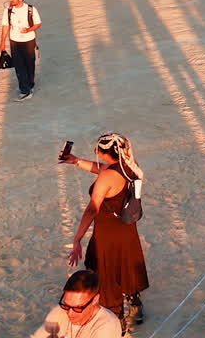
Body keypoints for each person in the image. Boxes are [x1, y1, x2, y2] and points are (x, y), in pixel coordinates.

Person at [62, 133, 150, 333]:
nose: (96, 152)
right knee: (126, 265)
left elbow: (92, 209)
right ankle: (135, 306)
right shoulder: (127, 164)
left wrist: (77, 240)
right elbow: (101, 169)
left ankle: (117, 321)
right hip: (126, 229)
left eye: (98, 149)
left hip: (107, 234)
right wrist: (75, 161)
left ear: (105, 152)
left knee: (107, 274)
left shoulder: (108, 176)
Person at [29, 269, 123, 338]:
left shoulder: (107, 327)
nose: (70, 313)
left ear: (95, 299)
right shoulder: (61, 311)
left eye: (77, 308)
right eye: (66, 305)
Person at [0, 0, 42, 100]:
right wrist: (2, 42)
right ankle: (25, 91)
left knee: (29, 64)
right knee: (19, 66)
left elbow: (38, 24)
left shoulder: (31, 10)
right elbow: (5, 26)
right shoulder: (8, 11)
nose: (11, 0)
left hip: (29, 41)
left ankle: (30, 85)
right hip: (14, 42)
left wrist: (28, 30)